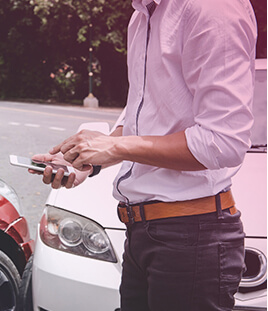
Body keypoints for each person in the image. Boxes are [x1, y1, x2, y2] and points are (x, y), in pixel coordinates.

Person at [31, 0, 257, 310]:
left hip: (192, 237)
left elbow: (222, 141)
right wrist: (88, 161)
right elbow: (145, 121)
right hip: (142, 234)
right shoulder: (140, 18)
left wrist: (113, 147)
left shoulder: (212, 7)